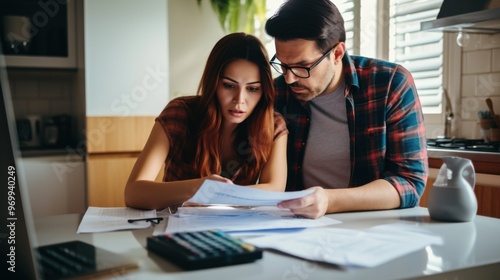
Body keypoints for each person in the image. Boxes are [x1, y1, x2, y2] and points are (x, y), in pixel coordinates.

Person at [265, 0, 428, 219]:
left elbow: (410, 182)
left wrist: (328, 201)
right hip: (296, 225)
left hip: (371, 226)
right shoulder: (278, 92)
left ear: (337, 53)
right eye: (283, 65)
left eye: (302, 67)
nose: (289, 78)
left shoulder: (391, 84)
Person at [125, 32, 288, 210]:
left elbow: (275, 189)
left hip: (234, 229)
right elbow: (134, 193)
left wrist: (221, 195)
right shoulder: (180, 113)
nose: (239, 99)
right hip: (175, 229)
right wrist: (198, 188)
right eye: (229, 85)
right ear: (213, 83)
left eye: (252, 88)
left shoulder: (272, 124)